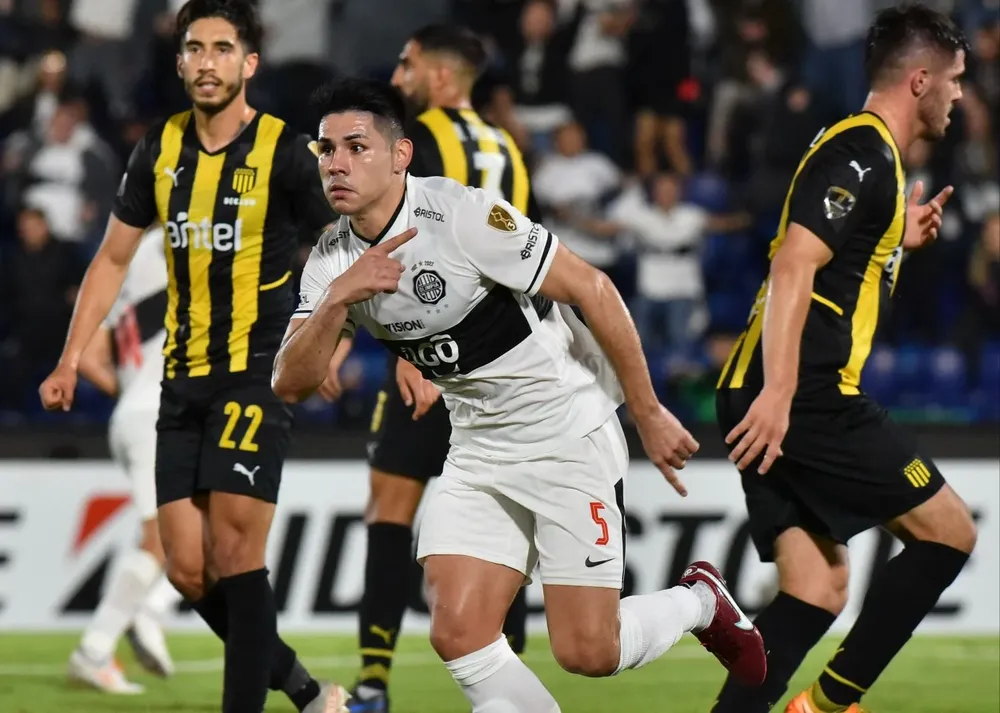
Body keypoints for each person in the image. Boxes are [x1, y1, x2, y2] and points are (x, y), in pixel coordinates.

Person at [272, 77, 767, 713]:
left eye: (357, 147)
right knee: (457, 631)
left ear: (402, 155)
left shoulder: (462, 216)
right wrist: (340, 296)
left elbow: (594, 289)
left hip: (564, 432)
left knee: (588, 652)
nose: (336, 163)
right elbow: (291, 380)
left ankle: (701, 601)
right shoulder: (331, 258)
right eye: (326, 150)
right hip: (477, 445)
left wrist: (646, 411)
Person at [38, 2, 346, 712]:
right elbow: (114, 257)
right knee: (184, 568)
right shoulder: (159, 147)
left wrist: (328, 333)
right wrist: (68, 356)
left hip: (255, 372)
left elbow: (343, 247)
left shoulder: (283, 151)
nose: (207, 62)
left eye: (222, 49)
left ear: (249, 63)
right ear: (178, 61)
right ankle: (308, 693)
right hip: (180, 381)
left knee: (238, 555)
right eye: (195, 49)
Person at [711, 6, 977, 713]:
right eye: (954, 80)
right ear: (920, 80)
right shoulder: (859, 153)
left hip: (765, 386)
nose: (961, 95)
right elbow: (797, 265)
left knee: (816, 588)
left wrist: (895, 241)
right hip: (802, 390)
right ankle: (827, 707)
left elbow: (831, 263)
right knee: (949, 532)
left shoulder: (869, 157)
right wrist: (782, 391)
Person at [320, 25, 538, 712]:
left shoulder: (420, 138)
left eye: (410, 64)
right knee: (505, 510)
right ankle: (506, 669)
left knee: (390, 505)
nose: (400, 72)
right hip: (505, 357)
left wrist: (381, 344)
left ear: (441, 79)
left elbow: (407, 238)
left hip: (431, 346)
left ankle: (375, 680)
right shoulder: (507, 146)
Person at [69, 226, 178, 693]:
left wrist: (131, 394)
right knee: (165, 541)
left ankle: (145, 614)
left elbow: (92, 361)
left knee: (206, 534)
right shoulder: (167, 244)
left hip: (132, 413)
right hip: (158, 411)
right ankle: (100, 645)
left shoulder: (123, 273)